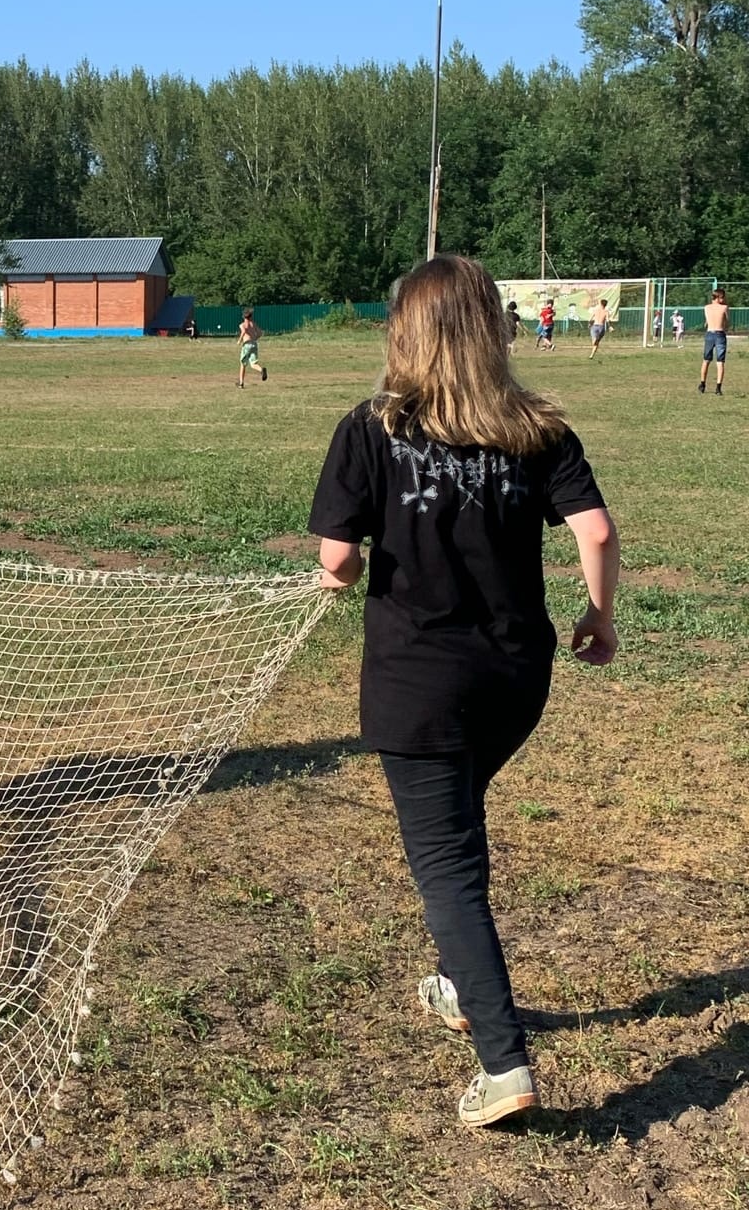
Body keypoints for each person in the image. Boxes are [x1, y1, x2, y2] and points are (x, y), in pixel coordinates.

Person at [309, 256, 619, 1128]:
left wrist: (350, 566)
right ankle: (458, 981)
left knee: (447, 867)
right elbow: (594, 529)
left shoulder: (370, 430)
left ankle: (504, 1064)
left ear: (404, 332)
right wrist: (599, 616)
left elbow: (336, 557)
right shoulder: (537, 428)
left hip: (419, 687)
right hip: (517, 679)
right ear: (493, 330)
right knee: (457, 826)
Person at [699, 288, 729, 395]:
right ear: (719, 297)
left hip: (709, 334)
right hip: (720, 334)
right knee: (720, 362)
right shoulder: (724, 307)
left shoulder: (706, 308)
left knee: (706, 360)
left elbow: (706, 322)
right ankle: (718, 388)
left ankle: (702, 384)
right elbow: (726, 322)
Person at [236, 309, 266, 387]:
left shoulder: (242, 325)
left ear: (243, 317)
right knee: (253, 363)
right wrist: (255, 338)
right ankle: (261, 370)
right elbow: (260, 333)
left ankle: (241, 383)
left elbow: (243, 331)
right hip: (254, 344)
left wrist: (239, 340)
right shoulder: (253, 324)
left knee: (243, 364)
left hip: (247, 345)